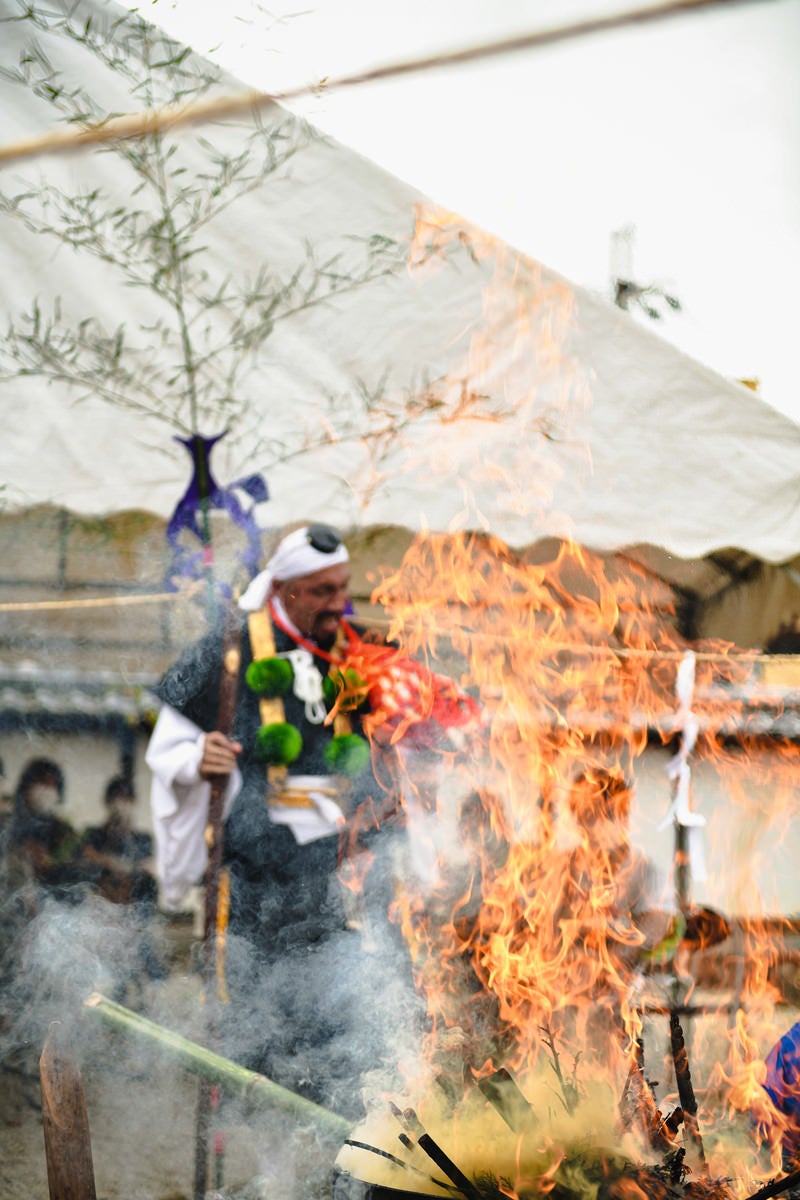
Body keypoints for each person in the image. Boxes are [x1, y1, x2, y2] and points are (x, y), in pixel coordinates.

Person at [146, 523, 458, 1111]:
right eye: (320, 590)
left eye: (342, 587)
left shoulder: (366, 651)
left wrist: (408, 753)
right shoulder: (228, 650)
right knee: (273, 1028)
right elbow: (168, 750)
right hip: (267, 867)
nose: (338, 603)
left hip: (357, 862)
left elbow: (430, 733)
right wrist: (199, 756)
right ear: (282, 587)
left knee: (364, 1015)